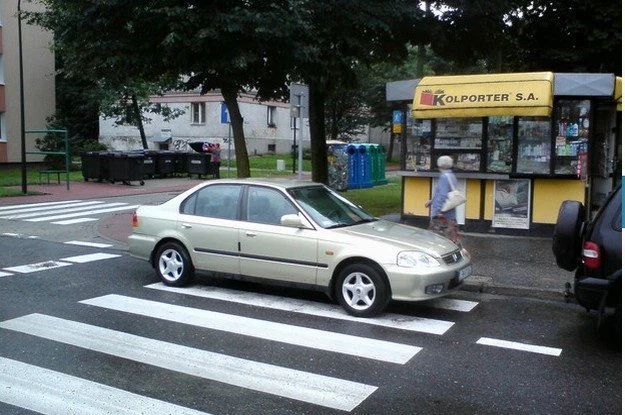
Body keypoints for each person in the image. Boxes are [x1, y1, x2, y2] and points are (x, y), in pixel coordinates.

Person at [425, 155, 461, 244]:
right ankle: (459, 252)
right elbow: (446, 193)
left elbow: (442, 195)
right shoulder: (452, 176)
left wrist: (438, 211)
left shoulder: (444, 177)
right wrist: (431, 201)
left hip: (442, 215)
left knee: (435, 239)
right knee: (450, 238)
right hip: (451, 214)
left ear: (439, 165)